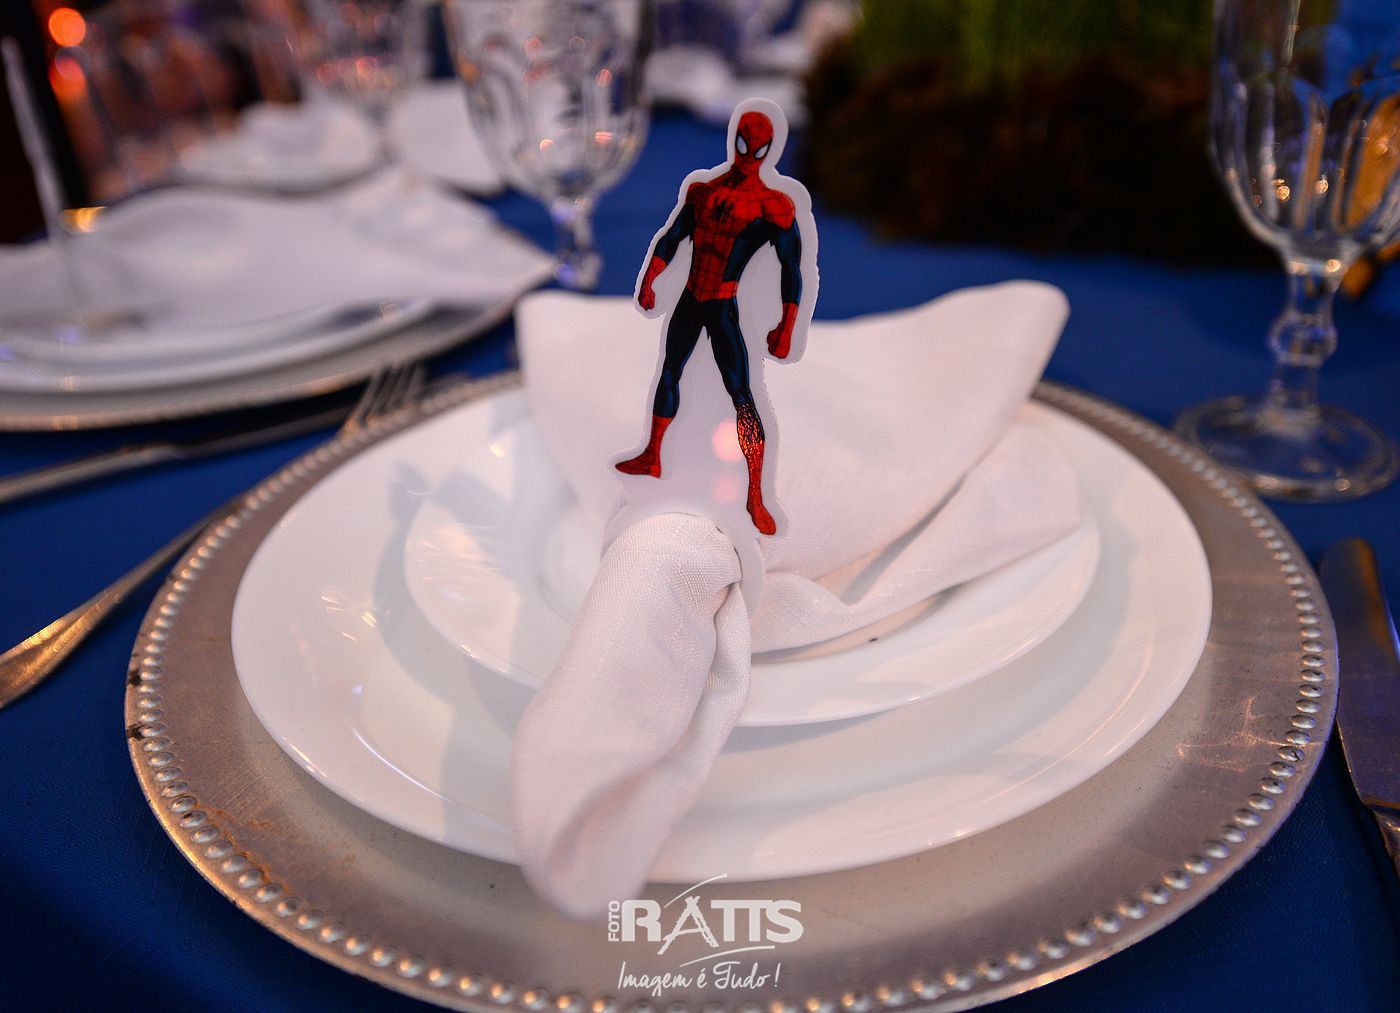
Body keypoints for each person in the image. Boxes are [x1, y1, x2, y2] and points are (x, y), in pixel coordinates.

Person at [615, 108, 807, 535]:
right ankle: (653, 454)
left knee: (742, 394)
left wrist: (787, 326)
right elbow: (672, 238)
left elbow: (792, 271)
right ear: (734, 141)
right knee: (670, 372)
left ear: (768, 149)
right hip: (690, 297)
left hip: (724, 305)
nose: (748, 155)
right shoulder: (703, 191)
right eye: (743, 144)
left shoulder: (774, 207)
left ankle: (756, 494)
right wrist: (650, 279)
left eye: (756, 148)